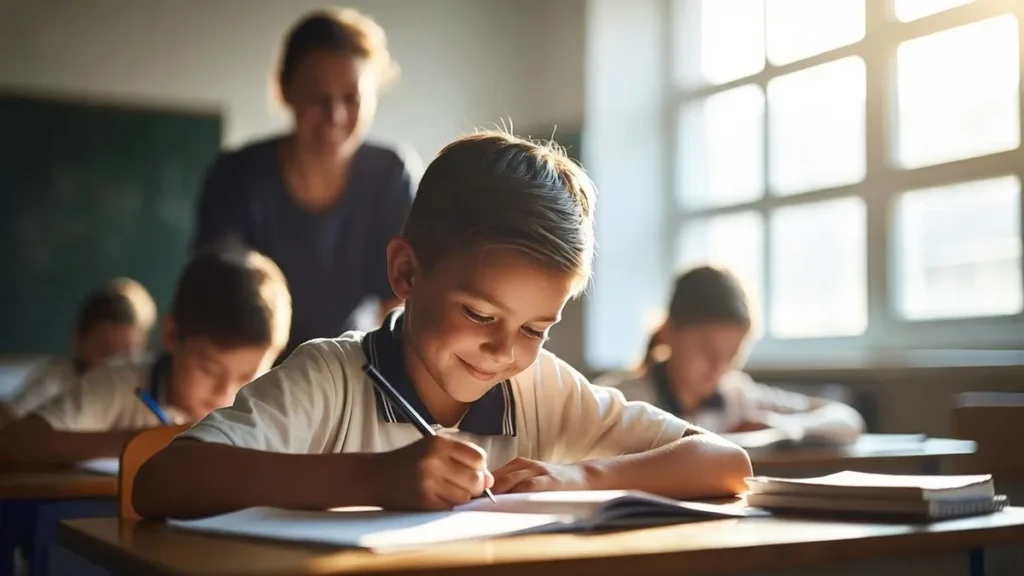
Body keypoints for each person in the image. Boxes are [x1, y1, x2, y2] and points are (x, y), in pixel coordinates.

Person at [132, 132, 752, 520]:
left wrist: (583, 475)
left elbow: (725, 462)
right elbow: (163, 481)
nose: (504, 351)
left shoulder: (541, 390)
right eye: (480, 314)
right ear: (405, 272)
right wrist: (375, 477)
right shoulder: (330, 377)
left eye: (537, 328)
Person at [193, 8, 416, 356]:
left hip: (344, 365)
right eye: (318, 97)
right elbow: (215, 296)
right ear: (286, 89)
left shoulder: (389, 176)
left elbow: (404, 301)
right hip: (250, 370)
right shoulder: (237, 176)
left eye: (351, 97)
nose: (335, 116)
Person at [0, 244, 291, 466]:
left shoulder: (269, 412)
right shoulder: (119, 382)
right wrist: (147, 443)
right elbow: (14, 443)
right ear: (170, 336)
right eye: (209, 369)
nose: (225, 392)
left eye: (248, 375)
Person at [602, 266, 864, 444]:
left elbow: (846, 418)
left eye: (733, 355)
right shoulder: (623, 400)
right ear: (670, 331)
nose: (719, 367)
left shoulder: (738, 395)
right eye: (707, 350)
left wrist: (780, 428)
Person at [0, 278, 157, 428]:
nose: (115, 363)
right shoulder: (55, 378)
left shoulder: (146, 389)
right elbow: (9, 421)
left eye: (128, 353)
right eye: (105, 351)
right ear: (79, 340)